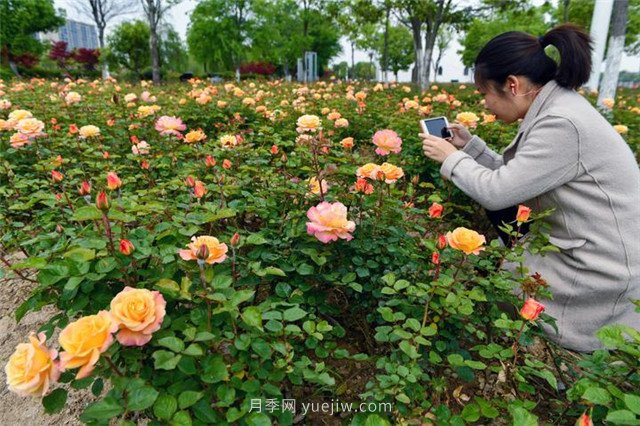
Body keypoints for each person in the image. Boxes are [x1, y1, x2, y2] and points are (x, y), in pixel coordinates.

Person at [420, 23, 640, 353]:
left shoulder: (561, 123)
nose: (484, 105)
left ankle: (556, 362)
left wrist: (450, 159)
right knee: (506, 264)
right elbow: (520, 179)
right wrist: (470, 148)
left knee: (507, 283)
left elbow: (497, 192)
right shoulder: (559, 107)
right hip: (590, 242)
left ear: (512, 85)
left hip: (601, 266)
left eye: (484, 94)